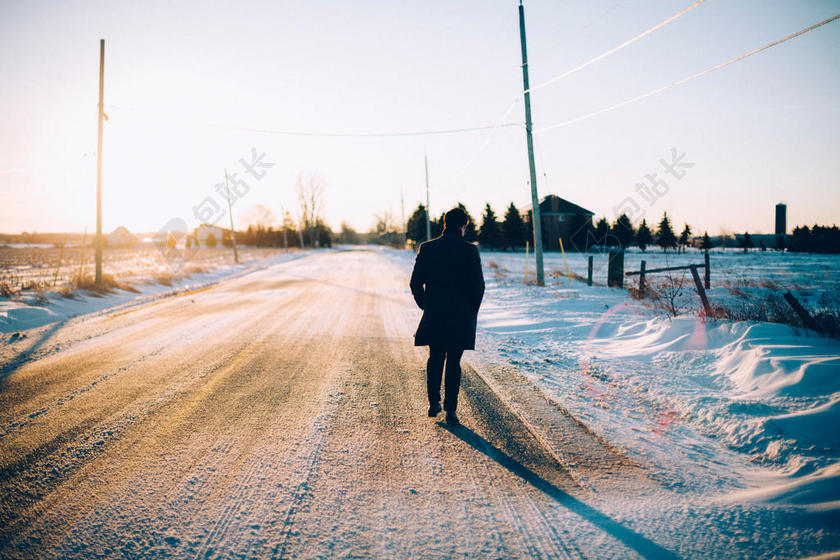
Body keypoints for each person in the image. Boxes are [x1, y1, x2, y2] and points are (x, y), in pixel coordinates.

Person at [409, 207, 485, 426]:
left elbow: (415, 283)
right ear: (464, 225)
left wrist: (426, 305)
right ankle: (451, 410)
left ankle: (434, 403)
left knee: (435, 357)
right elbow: (478, 286)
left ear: (444, 223)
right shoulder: (470, 251)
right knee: (454, 362)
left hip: (435, 313)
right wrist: (471, 312)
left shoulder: (427, 248)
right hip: (460, 316)